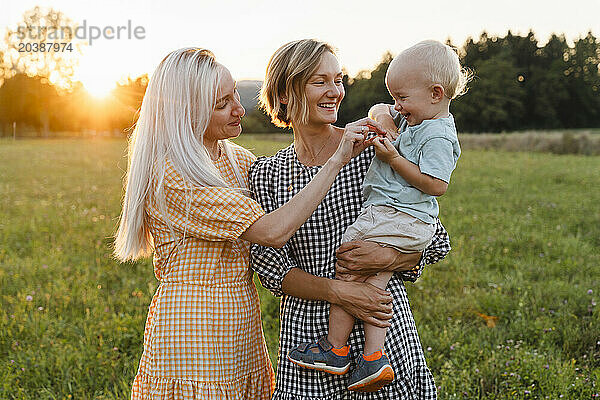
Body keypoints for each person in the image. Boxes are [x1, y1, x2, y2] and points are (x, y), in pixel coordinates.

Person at [113, 47, 375, 400]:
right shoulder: (172, 174)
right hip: (194, 328)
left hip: (240, 318)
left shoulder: (235, 157)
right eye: (222, 103)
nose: (239, 108)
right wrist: (337, 160)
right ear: (185, 113)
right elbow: (272, 231)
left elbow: (290, 190)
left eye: (235, 93)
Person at [249, 39, 452, 400]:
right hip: (312, 339)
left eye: (338, 80)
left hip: (382, 332)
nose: (334, 92)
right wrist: (340, 290)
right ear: (283, 93)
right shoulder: (266, 173)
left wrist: (390, 258)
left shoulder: (374, 148)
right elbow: (271, 269)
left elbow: (432, 237)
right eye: (319, 81)